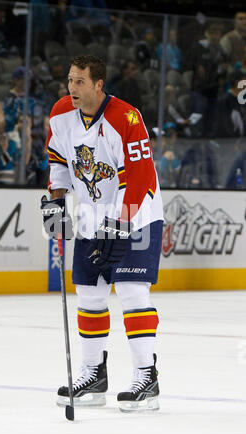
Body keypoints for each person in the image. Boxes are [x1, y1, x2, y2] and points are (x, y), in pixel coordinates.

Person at [40, 55, 164, 412]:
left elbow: (139, 179)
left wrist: (120, 224)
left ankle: (146, 376)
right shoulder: (61, 113)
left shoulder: (126, 118)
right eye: (69, 80)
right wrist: (56, 200)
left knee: (130, 289)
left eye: (80, 81)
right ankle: (93, 372)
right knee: (89, 293)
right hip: (92, 217)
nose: (72, 88)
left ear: (99, 84)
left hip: (137, 214)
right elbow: (59, 161)